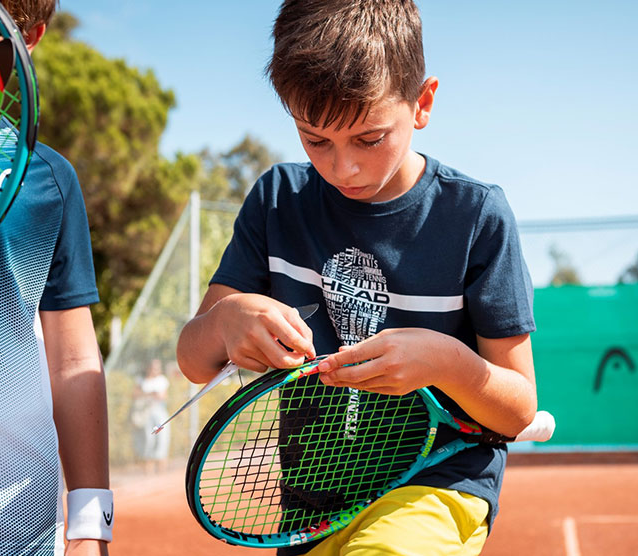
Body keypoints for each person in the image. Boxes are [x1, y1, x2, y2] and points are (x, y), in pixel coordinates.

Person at [176, 1, 537, 554]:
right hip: (309, 510)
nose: (342, 167)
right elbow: (192, 359)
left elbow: (517, 409)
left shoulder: (475, 216)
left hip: (434, 486)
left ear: (423, 103)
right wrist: (226, 322)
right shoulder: (277, 202)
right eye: (315, 139)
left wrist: (444, 361)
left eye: (368, 139)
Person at [0, 2, 112, 555]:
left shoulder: (48, 181)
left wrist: (90, 524)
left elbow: (75, 361)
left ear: (27, 38)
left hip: (10, 530)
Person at [133, 359, 170, 474]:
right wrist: (151, 394)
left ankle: (161, 473)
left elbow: (162, 396)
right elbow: (135, 394)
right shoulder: (141, 380)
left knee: (162, 440)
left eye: (157, 368)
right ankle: (147, 473)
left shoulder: (162, 380)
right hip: (146, 413)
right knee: (148, 440)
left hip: (159, 412)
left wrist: (148, 394)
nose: (155, 370)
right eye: (153, 367)